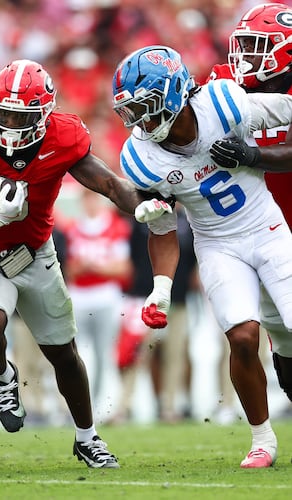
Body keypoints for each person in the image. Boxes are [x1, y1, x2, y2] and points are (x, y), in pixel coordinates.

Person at [0, 59, 171, 469]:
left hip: (37, 253)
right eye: (2, 112)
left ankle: (87, 437)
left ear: (44, 116)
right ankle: (4, 376)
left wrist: (142, 205)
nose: (8, 123)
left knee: (63, 353)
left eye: (19, 116)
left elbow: (109, 183)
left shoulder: (64, 138)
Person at [111, 44, 292, 469]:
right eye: (130, 111)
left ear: (174, 93)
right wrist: (160, 288)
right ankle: (262, 440)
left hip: (267, 230)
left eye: (146, 107)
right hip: (218, 245)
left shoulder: (224, 103)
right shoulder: (141, 157)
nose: (139, 121)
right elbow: (163, 229)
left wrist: (255, 156)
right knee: (243, 336)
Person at [207, 1, 292, 427]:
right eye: (244, 44)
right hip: (257, 228)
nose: (245, 56)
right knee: (283, 342)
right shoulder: (224, 83)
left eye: (258, 45)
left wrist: (253, 155)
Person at [64, 187, 133, 422]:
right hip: (79, 299)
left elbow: (123, 268)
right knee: (78, 354)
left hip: (106, 297)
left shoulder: (115, 227)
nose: (90, 204)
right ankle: (79, 405)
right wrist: (87, 268)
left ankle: (105, 405)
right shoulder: (72, 229)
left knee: (106, 354)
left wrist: (94, 267)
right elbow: (68, 271)